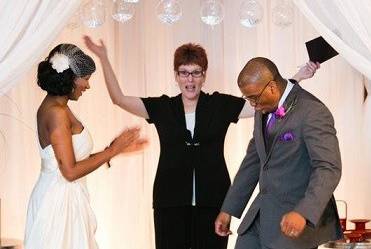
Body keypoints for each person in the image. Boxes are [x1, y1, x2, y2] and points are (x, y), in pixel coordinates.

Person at [84, 36, 319, 249]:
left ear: (204, 75)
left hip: (214, 201)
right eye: (184, 73)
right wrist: (104, 57)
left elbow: (264, 100)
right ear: (176, 75)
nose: (190, 79)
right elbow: (119, 99)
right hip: (170, 201)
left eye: (196, 72)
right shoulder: (162, 107)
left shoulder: (219, 105)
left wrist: (297, 78)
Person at [24, 44, 147, 249]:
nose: (88, 86)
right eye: (86, 79)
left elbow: (71, 160)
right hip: (56, 205)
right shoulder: (56, 112)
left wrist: (115, 150)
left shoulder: (61, 107)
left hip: (64, 198)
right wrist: (112, 151)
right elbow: (70, 171)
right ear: (71, 78)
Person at [215, 57, 342, 249]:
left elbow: (328, 168)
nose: (253, 105)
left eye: (254, 98)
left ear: (272, 87)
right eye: (248, 99)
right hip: (260, 217)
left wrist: (304, 212)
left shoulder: (313, 111)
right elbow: (254, 159)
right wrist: (229, 209)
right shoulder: (262, 107)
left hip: (293, 222)